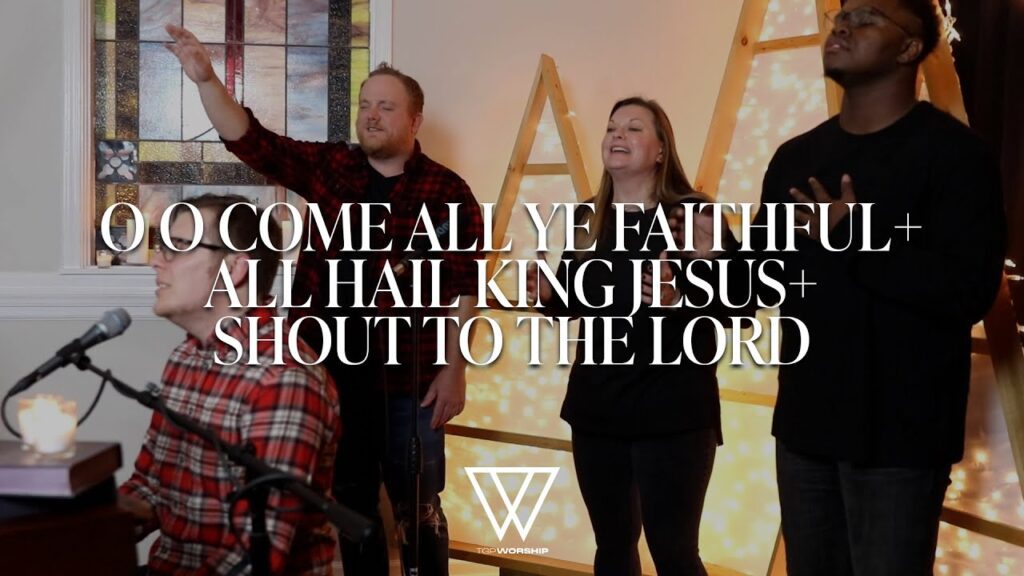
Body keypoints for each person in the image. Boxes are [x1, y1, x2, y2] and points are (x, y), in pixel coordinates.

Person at [164, 24, 483, 576]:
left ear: (415, 120)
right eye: (365, 105)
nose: (371, 116)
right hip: (329, 373)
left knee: (420, 510)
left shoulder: (448, 191)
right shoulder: (330, 167)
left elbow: (464, 287)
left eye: (386, 107)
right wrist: (207, 79)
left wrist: (455, 371)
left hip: (411, 379)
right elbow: (251, 141)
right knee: (350, 508)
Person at [741, 1, 1006, 574]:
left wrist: (856, 238)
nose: (843, 24)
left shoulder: (958, 156)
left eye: (866, 17)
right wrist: (707, 266)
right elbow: (762, 279)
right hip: (805, 430)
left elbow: (966, 290)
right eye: (842, 14)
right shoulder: (795, 157)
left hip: (901, 441)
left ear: (909, 47)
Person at [528, 97, 726, 576]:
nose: (618, 134)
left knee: (674, 553)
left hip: (674, 414)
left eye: (634, 128)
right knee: (613, 547)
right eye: (612, 126)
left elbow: (735, 306)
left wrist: (680, 295)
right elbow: (578, 301)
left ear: (661, 151)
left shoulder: (693, 215)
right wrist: (549, 295)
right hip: (597, 410)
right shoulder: (588, 217)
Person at [118, 194, 340, 575]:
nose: (157, 261)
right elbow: (151, 488)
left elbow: (253, 557)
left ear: (236, 269)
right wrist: (72, 529)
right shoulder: (186, 357)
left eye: (178, 246)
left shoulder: (283, 378)